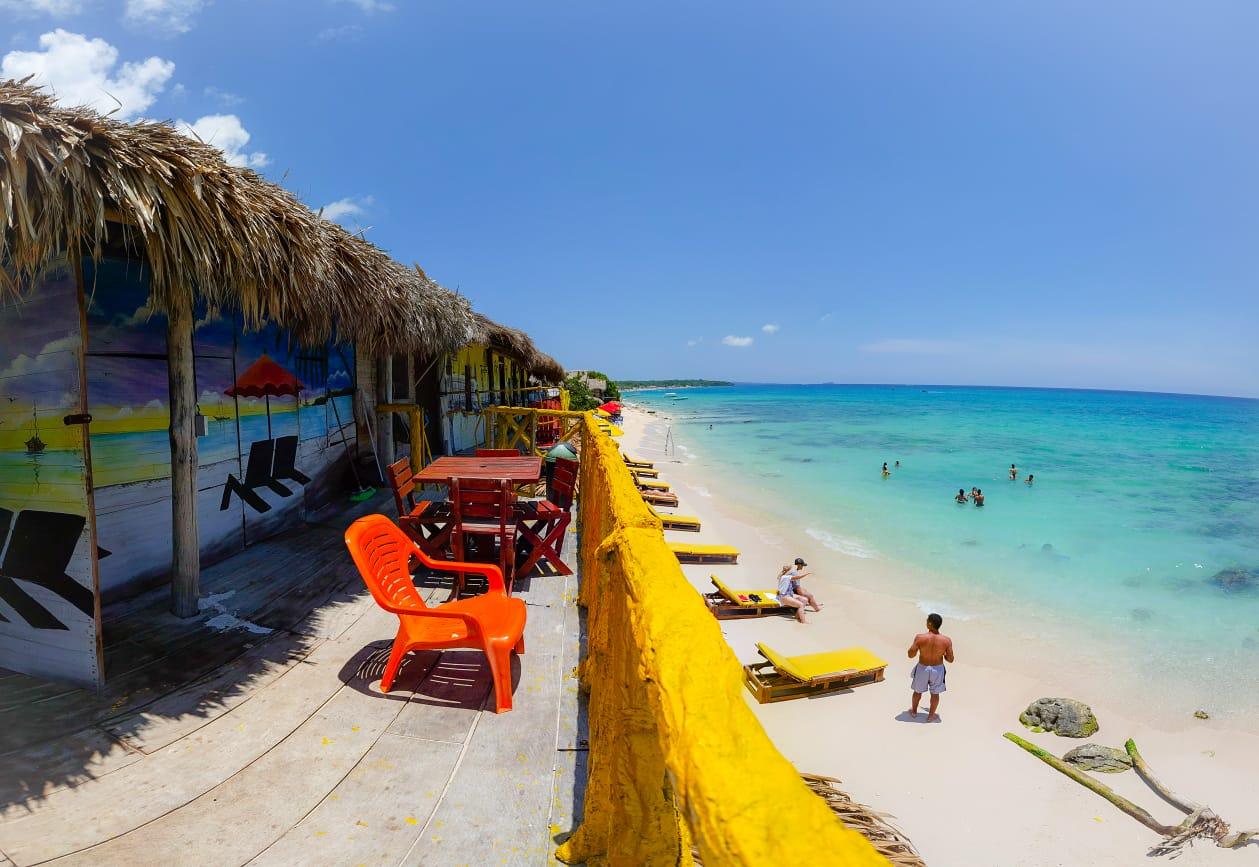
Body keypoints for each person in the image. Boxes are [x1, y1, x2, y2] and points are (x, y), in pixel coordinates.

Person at [908, 613, 954, 722]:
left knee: (917, 692)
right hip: (937, 669)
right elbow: (950, 659)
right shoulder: (946, 640)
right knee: (935, 693)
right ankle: (931, 716)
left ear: (929, 623)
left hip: (922, 668)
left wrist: (917, 648)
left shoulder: (920, 637)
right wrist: (942, 654)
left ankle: (914, 712)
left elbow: (910, 655)